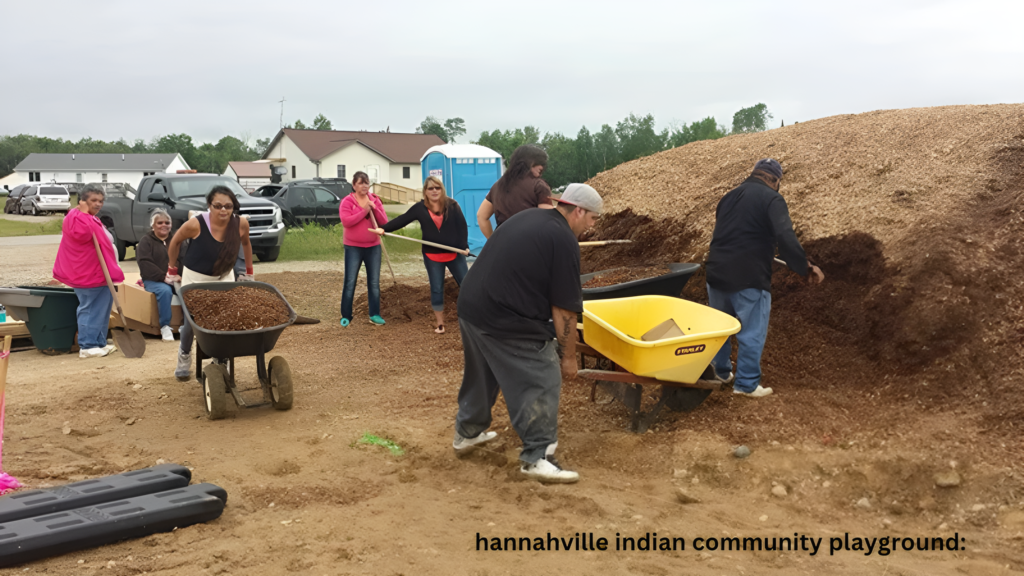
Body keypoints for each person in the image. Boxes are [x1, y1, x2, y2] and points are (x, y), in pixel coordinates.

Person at [453, 183, 602, 484]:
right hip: (502, 314)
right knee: (543, 375)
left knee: (483, 373)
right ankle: (537, 457)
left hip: (472, 304)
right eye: (593, 218)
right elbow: (564, 310)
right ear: (579, 210)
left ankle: (466, 433)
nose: (593, 225)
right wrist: (568, 358)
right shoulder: (563, 239)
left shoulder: (530, 217)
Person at [704, 159, 825, 398]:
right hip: (749, 276)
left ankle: (720, 372)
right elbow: (785, 236)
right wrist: (805, 267)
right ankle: (746, 385)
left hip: (716, 272)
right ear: (775, 180)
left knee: (719, 328)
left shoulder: (728, 197)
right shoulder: (772, 199)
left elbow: (734, 232)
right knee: (751, 331)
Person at [166, 186, 254, 380]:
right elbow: (175, 241)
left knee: (223, 318)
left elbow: (246, 244)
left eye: (228, 206)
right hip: (196, 277)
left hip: (223, 276)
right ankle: (184, 355)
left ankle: (220, 357)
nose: (223, 210)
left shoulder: (240, 224)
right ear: (209, 206)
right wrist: (172, 268)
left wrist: (249, 271)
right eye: (218, 206)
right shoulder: (196, 224)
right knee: (192, 321)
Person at [372, 176, 468, 334]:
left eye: (437, 188)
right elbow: (402, 219)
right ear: (425, 191)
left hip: (454, 253)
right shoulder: (420, 208)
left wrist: (464, 246)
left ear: (442, 189)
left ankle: (472, 319)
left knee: (467, 285)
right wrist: (384, 229)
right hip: (432, 256)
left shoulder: (452, 205)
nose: (434, 191)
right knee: (437, 289)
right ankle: (440, 324)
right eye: (430, 188)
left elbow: (462, 226)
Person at [53, 184, 124, 358]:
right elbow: (82, 234)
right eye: (93, 200)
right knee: (90, 308)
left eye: (101, 201)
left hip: (100, 273)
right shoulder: (76, 217)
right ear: (82, 201)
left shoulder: (91, 217)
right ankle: (87, 345)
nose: (98, 204)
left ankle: (98, 342)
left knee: (102, 309)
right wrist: (84, 212)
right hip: (86, 273)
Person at [339, 171, 388, 327]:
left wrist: (374, 209)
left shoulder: (375, 200)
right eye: (360, 183)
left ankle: (374, 314)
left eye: (366, 183)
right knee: (350, 281)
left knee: (373, 282)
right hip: (353, 247)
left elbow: (383, 222)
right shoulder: (347, 201)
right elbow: (347, 221)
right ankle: (346, 315)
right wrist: (364, 211)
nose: (364, 186)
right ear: (354, 185)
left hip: (373, 247)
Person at [477, 144, 553, 238]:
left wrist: (492, 241)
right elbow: (549, 219)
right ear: (532, 163)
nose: (542, 169)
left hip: (503, 244)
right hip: (530, 244)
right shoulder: (538, 186)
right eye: (541, 165)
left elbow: (481, 216)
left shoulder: (498, 185)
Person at [137, 209, 178, 342]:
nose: (164, 225)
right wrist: (163, 277)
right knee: (165, 291)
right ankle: (165, 326)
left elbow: (185, 258)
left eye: (167, 222)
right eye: (160, 222)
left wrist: (179, 275)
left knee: (190, 290)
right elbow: (145, 263)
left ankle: (189, 325)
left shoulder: (177, 240)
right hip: (154, 280)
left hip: (176, 278)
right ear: (152, 225)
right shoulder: (145, 242)